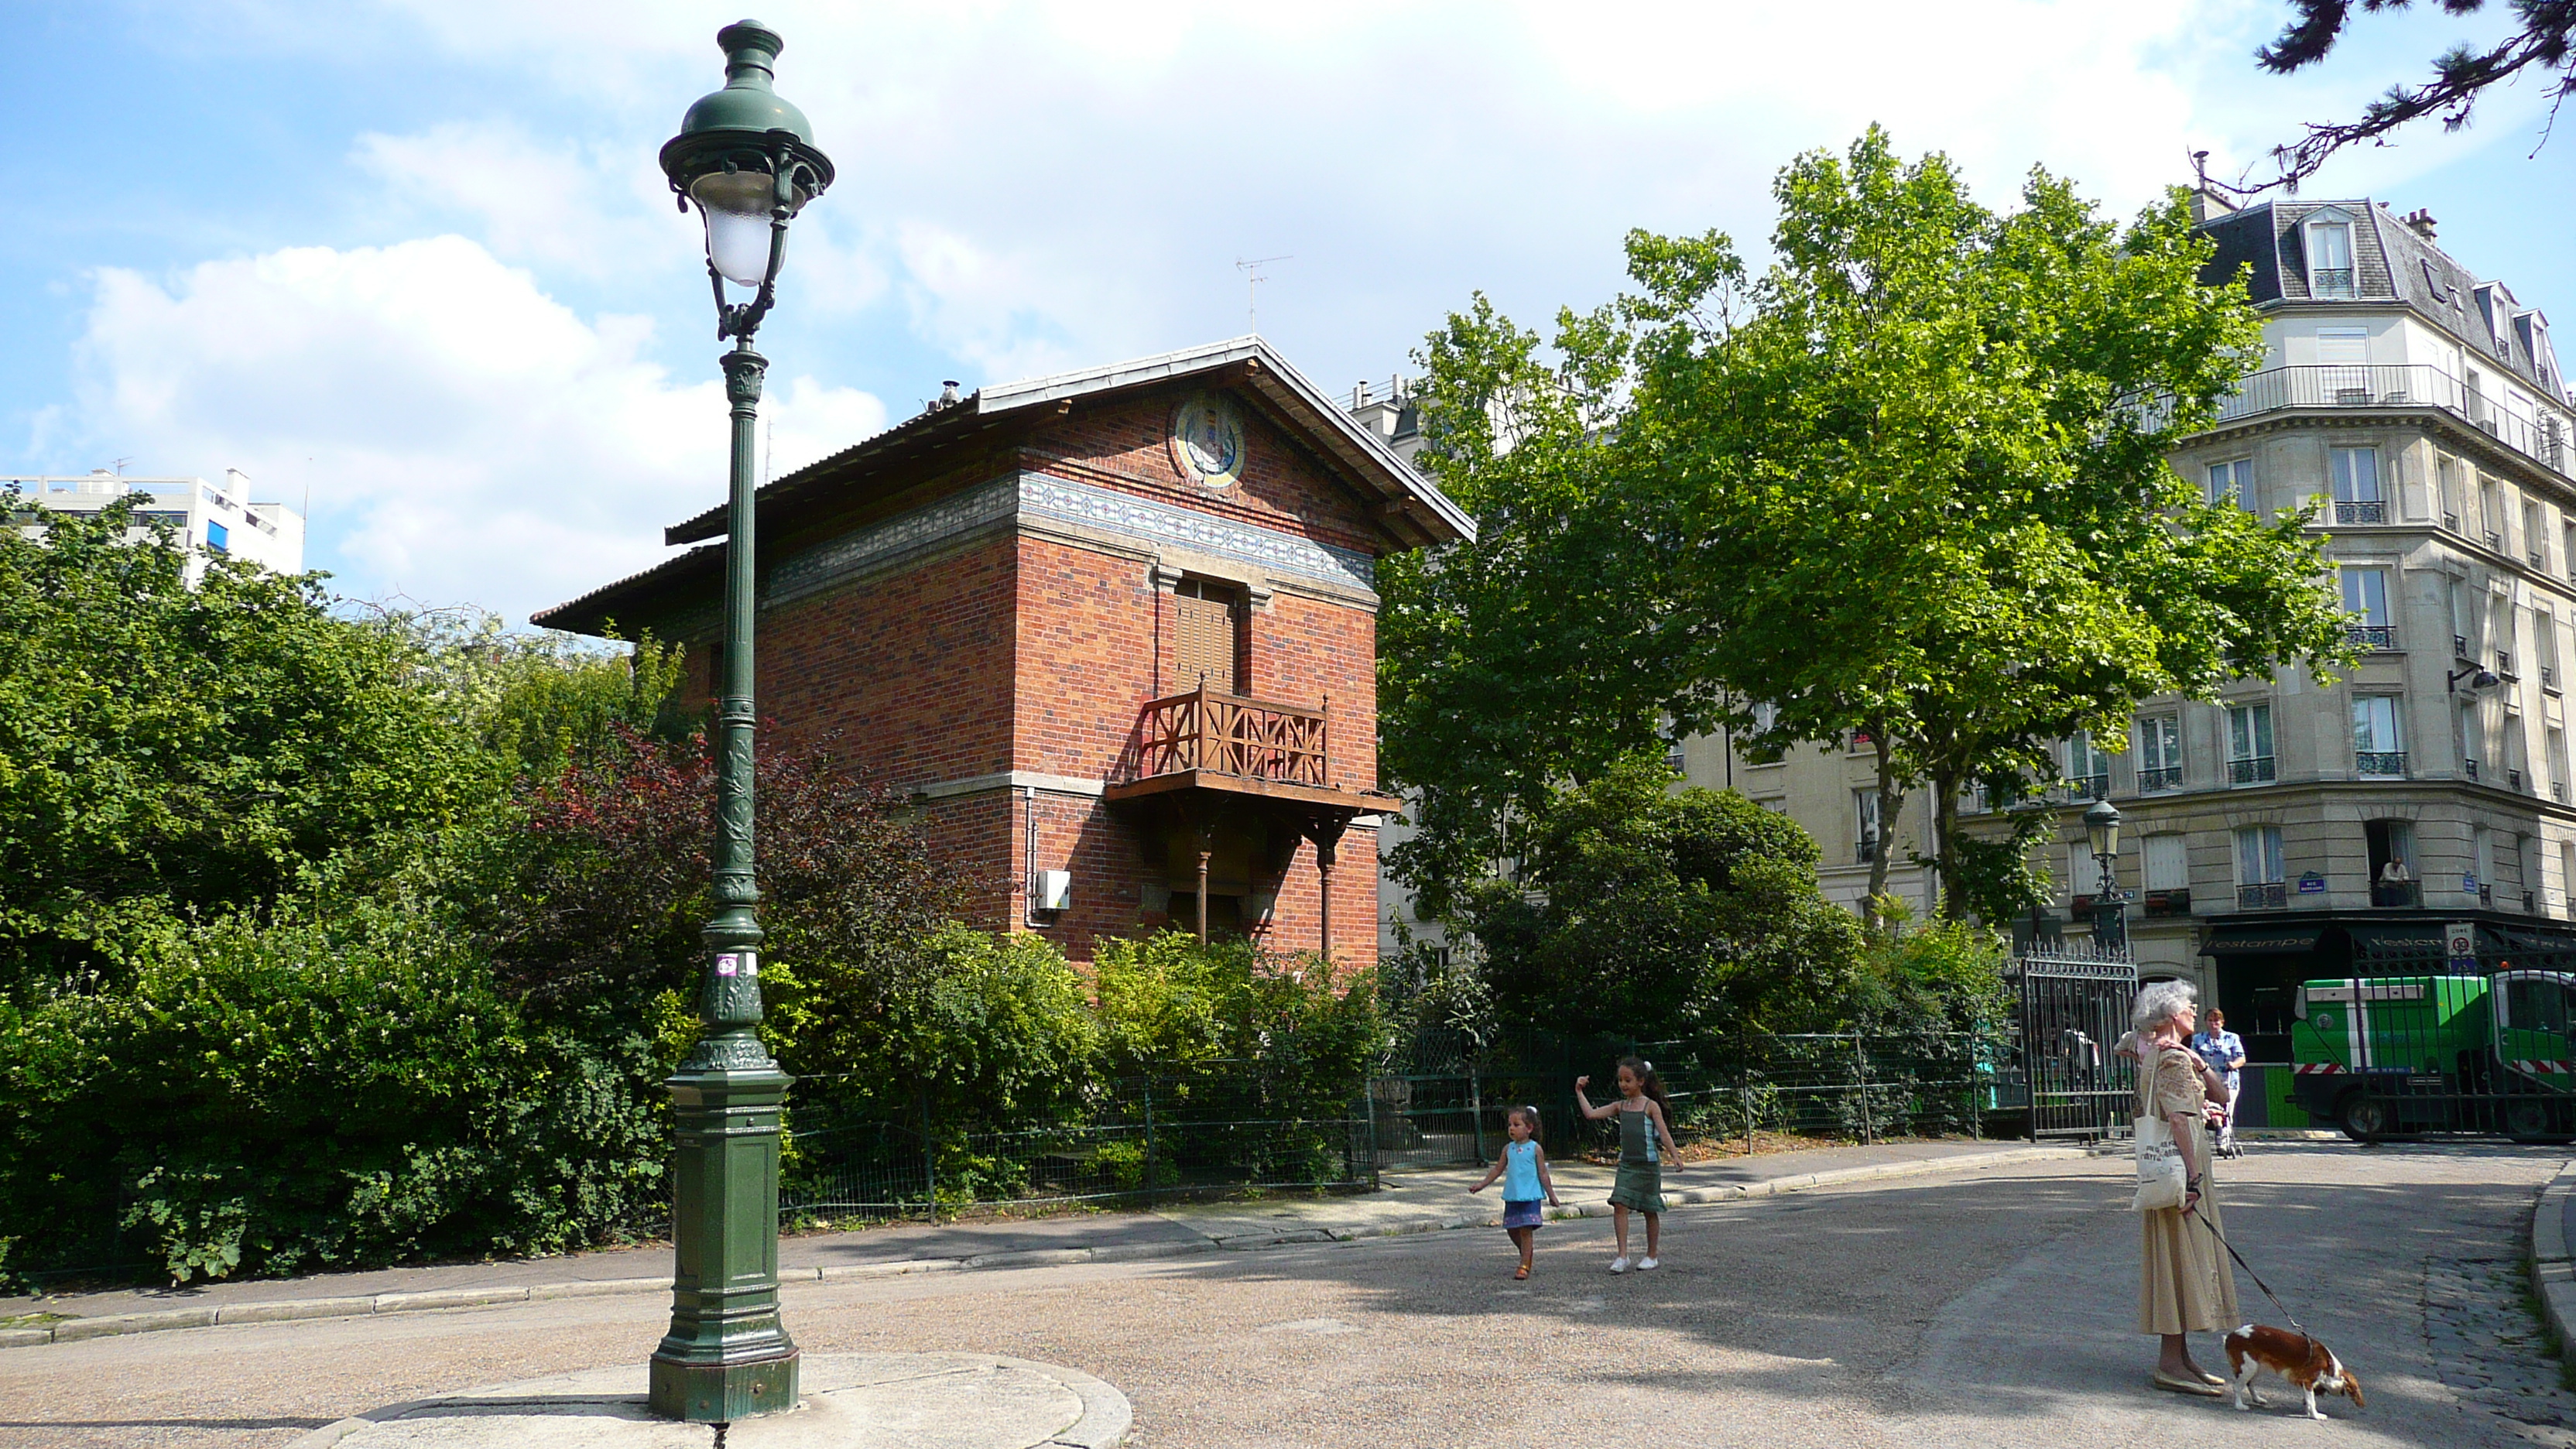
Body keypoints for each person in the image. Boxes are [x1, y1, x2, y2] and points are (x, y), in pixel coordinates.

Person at [2128, 980, 2242, 1396]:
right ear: (2172, 1014)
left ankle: (2179, 1358)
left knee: (2178, 1258)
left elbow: (2220, 1094)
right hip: (2182, 1170)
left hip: (2172, 1169)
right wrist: (2193, 1181)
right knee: (2182, 1257)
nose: (2195, 1010)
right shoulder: (2170, 1059)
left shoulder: (2171, 1055)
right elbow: (2177, 1120)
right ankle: (2170, 1363)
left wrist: (2198, 1060)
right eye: (2189, 1006)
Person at [1574, 1057, 1683, 1274]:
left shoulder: (1650, 1106)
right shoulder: (1620, 1106)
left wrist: (1675, 1155)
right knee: (1620, 1204)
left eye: (1628, 1080)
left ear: (1641, 1081)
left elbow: (1663, 1133)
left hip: (1648, 1166)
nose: (1623, 1085)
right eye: (1620, 1080)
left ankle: (1652, 1255)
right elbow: (1590, 1114)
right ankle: (1622, 1255)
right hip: (1627, 1165)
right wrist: (1579, 1091)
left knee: (1649, 1209)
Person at [1468, 1105, 1564, 1279]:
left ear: (1529, 1128)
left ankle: (1524, 1264)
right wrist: (1482, 1185)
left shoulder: (1535, 1149)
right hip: (1513, 1196)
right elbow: (1497, 1170)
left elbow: (1543, 1174)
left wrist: (1552, 1195)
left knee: (1525, 1230)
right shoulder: (1508, 1149)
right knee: (1512, 1229)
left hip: (1530, 1196)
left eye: (1516, 1125)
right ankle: (1526, 1252)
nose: (1511, 1128)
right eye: (1510, 1125)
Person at [2191, 1008, 2248, 1158]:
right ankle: (2204, 1142)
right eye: (2210, 1020)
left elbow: (2241, 1058)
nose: (2213, 1023)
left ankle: (2224, 1143)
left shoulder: (2232, 1038)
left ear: (2222, 1022)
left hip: (2227, 1080)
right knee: (2208, 1111)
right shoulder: (2198, 1039)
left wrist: (2233, 1065)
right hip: (2207, 1081)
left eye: (2216, 1020)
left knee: (2227, 1112)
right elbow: (2192, 1057)